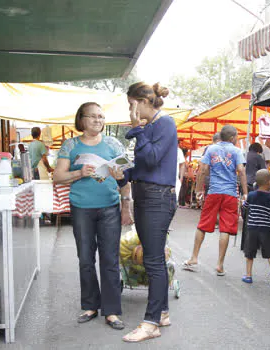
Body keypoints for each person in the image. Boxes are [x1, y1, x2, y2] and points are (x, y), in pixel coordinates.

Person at [53, 102, 133, 331]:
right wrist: (79, 172)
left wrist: (124, 197)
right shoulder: (71, 145)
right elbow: (58, 176)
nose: (98, 120)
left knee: (110, 259)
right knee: (86, 259)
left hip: (109, 207)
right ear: (82, 120)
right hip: (81, 208)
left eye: (101, 116)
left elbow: (125, 180)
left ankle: (112, 311)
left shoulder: (113, 144)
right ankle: (90, 306)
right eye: (93, 116)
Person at [116, 82, 178, 343]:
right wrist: (121, 174)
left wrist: (136, 129)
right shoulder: (152, 126)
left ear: (142, 101)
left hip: (157, 198)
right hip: (147, 195)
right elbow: (143, 165)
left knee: (152, 261)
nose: (130, 109)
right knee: (154, 259)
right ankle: (162, 312)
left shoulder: (164, 123)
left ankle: (151, 323)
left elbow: (151, 159)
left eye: (131, 104)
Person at [183, 125, 248, 276]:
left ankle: (194, 257)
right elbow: (242, 171)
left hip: (213, 192)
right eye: (237, 136)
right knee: (225, 228)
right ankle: (219, 264)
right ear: (232, 138)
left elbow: (203, 169)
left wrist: (199, 190)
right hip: (230, 194)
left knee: (203, 224)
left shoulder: (211, 149)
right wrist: (245, 193)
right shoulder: (237, 151)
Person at [242, 169, 270, 286]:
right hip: (267, 230)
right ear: (269, 182)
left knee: (250, 253)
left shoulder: (251, 195)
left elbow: (245, 207)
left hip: (252, 228)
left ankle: (248, 275)